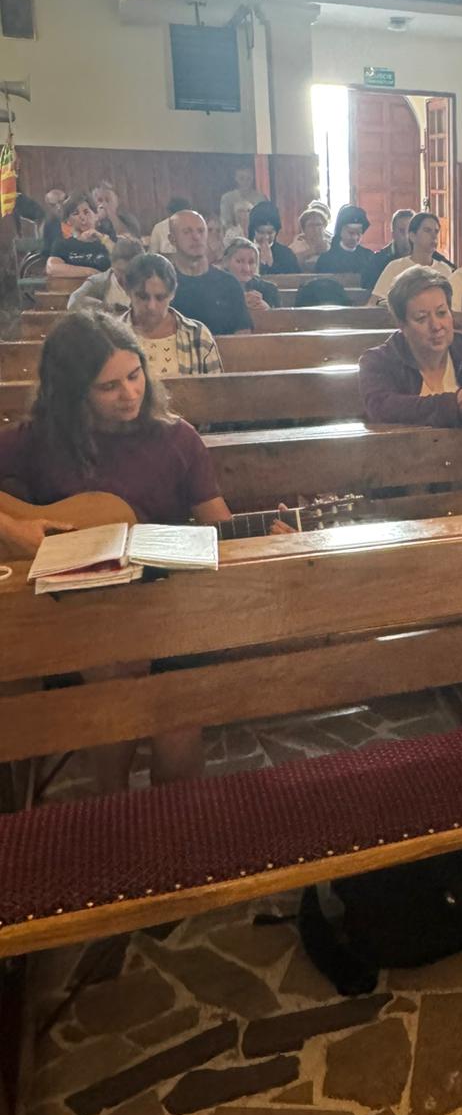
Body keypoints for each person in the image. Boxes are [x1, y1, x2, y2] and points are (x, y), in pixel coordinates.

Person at [0, 311, 235, 789]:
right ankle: (110, 808)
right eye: (108, 387)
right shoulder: (39, 441)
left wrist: (268, 531)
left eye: (135, 375)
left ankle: (175, 820)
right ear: (72, 393)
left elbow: (220, 524)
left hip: (166, 605)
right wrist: (12, 528)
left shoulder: (177, 438)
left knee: (176, 715)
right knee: (113, 676)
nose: (130, 393)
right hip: (72, 613)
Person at [359, 265, 462, 427]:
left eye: (442, 313)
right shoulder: (379, 361)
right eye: (421, 318)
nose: (436, 326)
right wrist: (453, 405)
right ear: (402, 325)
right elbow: (381, 406)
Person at [123, 253, 222, 379]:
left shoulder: (197, 335)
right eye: (143, 297)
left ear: (172, 294)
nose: (151, 306)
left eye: (160, 298)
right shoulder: (112, 335)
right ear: (128, 291)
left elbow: (216, 388)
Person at [167, 208, 251, 335]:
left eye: (201, 231)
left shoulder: (228, 283)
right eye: (187, 232)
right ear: (172, 239)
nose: (196, 237)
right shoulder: (165, 284)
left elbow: (243, 333)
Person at [370, 211, 455, 304]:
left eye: (436, 231)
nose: (434, 236)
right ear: (412, 236)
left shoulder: (444, 269)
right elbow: (373, 302)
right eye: (427, 230)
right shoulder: (395, 267)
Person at [67, 236, 142, 311]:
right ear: (112, 265)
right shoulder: (99, 281)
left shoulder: (145, 285)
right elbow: (73, 302)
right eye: (120, 271)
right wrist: (101, 305)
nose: (124, 277)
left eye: (129, 272)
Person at [45, 192, 112, 275]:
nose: (82, 217)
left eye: (86, 212)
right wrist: (89, 272)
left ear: (96, 216)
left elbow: (122, 260)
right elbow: (52, 267)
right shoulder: (62, 244)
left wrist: (102, 238)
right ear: (68, 221)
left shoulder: (108, 240)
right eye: (75, 213)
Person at [316, 206, 376, 288]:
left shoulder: (369, 256)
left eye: (359, 233)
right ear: (341, 231)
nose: (355, 237)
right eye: (351, 233)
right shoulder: (326, 259)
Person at [223, 237, 280, 311]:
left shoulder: (269, 289)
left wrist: (267, 309)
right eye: (239, 261)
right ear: (226, 262)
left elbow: (281, 316)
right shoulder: (216, 288)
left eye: (251, 262)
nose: (246, 268)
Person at [247, 203, 300, 274]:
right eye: (261, 232)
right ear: (253, 230)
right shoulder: (242, 251)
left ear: (276, 232)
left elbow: (295, 278)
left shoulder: (286, 255)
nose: (266, 237)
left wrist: (271, 266)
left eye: (270, 233)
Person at [368, 209, 415, 288]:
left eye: (410, 231)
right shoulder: (378, 260)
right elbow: (370, 287)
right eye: (402, 231)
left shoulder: (429, 257)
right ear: (393, 234)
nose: (407, 236)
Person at [218, 163, 267, 235]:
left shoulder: (261, 199)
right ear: (236, 178)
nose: (245, 182)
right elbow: (225, 222)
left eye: (248, 178)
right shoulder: (227, 198)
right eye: (242, 178)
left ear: (253, 178)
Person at [291, 203, 333, 270]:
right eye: (311, 225)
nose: (315, 229)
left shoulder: (332, 244)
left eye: (318, 225)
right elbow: (289, 264)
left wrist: (328, 252)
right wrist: (312, 251)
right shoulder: (295, 246)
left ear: (324, 227)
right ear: (303, 229)